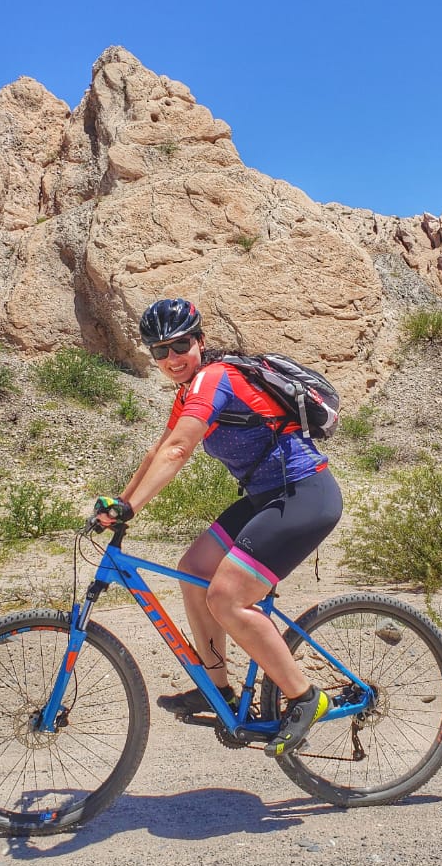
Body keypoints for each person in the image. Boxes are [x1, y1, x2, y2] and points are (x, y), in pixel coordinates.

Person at [94, 298, 343, 757]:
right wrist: (120, 503)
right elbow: (159, 451)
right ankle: (218, 690)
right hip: (265, 498)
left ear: (200, 342)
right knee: (194, 569)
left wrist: (133, 510)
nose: (172, 358)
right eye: (160, 351)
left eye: (181, 345)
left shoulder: (215, 378)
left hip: (305, 493)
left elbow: (178, 453)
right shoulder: (189, 391)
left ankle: (307, 698)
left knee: (226, 596)